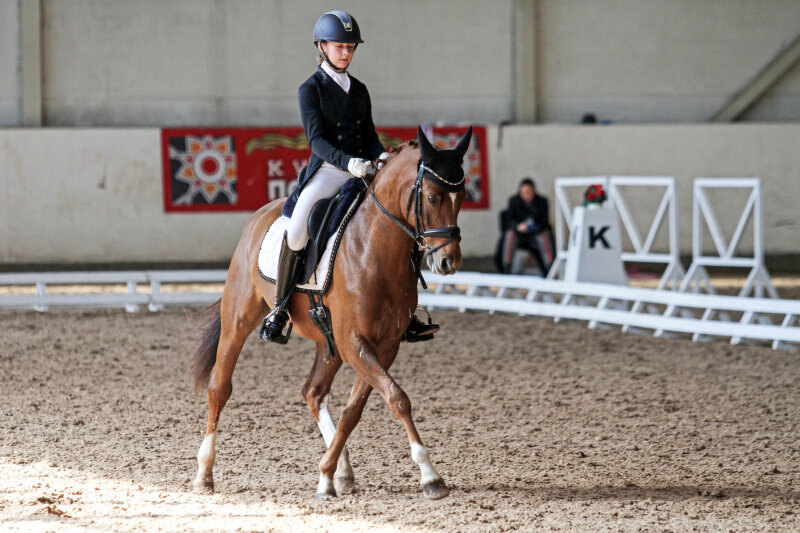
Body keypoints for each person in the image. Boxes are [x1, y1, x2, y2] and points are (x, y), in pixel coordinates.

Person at [259, 10, 438, 344]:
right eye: (339, 46)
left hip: (363, 170)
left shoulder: (359, 90)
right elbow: (316, 140)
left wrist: (380, 157)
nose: (346, 52)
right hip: (329, 170)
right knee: (296, 230)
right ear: (322, 47)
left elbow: (368, 134)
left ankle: (405, 311)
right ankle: (279, 308)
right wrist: (347, 162)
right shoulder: (310, 89)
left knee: (403, 224)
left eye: (350, 47)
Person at [496, 178, 555, 275]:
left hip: (536, 233)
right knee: (510, 234)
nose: (525, 196)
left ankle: (550, 268)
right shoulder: (514, 201)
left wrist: (532, 227)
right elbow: (509, 220)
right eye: (523, 193)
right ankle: (506, 267)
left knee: (544, 236)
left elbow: (544, 222)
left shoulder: (541, 201)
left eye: (528, 192)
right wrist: (518, 226)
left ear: (533, 191)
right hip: (519, 234)